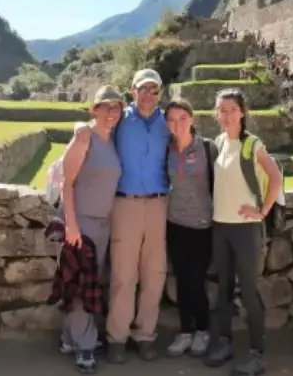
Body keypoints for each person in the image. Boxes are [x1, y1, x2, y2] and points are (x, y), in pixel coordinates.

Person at [74, 69, 170, 364]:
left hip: (158, 204)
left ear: (160, 94)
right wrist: (79, 126)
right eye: (143, 89)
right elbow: (93, 129)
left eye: (154, 90)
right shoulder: (119, 120)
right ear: (132, 90)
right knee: (123, 275)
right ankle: (117, 337)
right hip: (125, 205)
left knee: (154, 275)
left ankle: (145, 336)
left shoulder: (168, 122)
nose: (148, 95)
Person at [204, 88, 283, 375]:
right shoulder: (219, 142)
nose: (226, 115)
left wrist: (262, 211)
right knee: (224, 288)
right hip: (221, 227)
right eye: (221, 110)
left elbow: (276, 177)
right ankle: (224, 343)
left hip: (246, 229)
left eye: (231, 109)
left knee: (249, 290)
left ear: (242, 112)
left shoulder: (252, 144)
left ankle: (256, 353)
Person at [53, 85, 124, 374]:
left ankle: (70, 339)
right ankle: (85, 348)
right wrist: (72, 224)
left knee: (84, 284)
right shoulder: (84, 140)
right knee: (83, 287)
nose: (111, 113)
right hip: (82, 224)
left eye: (116, 107)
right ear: (93, 109)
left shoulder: (110, 139)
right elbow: (66, 184)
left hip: (103, 225)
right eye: (105, 107)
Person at [162, 99, 218, 358]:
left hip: (202, 226)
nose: (178, 124)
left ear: (192, 119)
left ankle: (203, 330)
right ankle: (186, 332)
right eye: (172, 119)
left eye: (182, 118)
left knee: (195, 281)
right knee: (182, 281)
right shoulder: (167, 150)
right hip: (174, 225)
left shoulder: (207, 148)